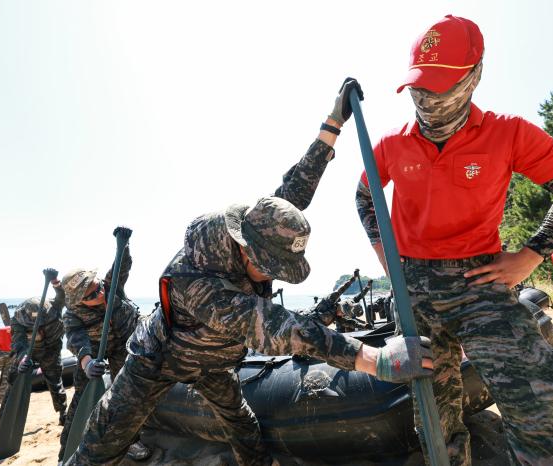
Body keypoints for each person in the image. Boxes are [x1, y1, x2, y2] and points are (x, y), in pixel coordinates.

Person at [64, 80, 434, 466]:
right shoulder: (197, 280)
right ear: (243, 246)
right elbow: (277, 327)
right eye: (268, 267)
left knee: (241, 424)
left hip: (215, 359)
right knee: (103, 439)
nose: (269, 276)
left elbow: (295, 189)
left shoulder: (261, 227)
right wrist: (375, 360)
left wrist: (332, 123)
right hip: (159, 358)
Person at [355, 15, 553, 465]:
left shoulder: (508, 134)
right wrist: (385, 257)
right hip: (414, 294)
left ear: (473, 77)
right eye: (420, 85)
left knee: (537, 401)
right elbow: (365, 197)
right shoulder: (391, 144)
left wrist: (530, 256)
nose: (428, 99)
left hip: (480, 286)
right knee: (433, 417)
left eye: (441, 85)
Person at [60, 234, 147, 463]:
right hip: (95, 350)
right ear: (80, 300)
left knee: (127, 393)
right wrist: (87, 363)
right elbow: (76, 339)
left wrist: (123, 244)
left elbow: (122, 265)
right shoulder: (72, 315)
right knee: (80, 398)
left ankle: (131, 440)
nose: (99, 294)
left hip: (124, 345)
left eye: (97, 287)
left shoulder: (111, 286)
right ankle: (66, 451)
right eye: (91, 295)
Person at [0, 269, 68, 426]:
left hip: (51, 349)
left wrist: (54, 281)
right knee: (13, 380)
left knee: (55, 381)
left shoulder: (54, 306)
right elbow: (18, 342)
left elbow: (62, 295)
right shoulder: (18, 319)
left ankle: (63, 413)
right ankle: (3, 422)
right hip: (29, 351)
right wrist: (23, 358)